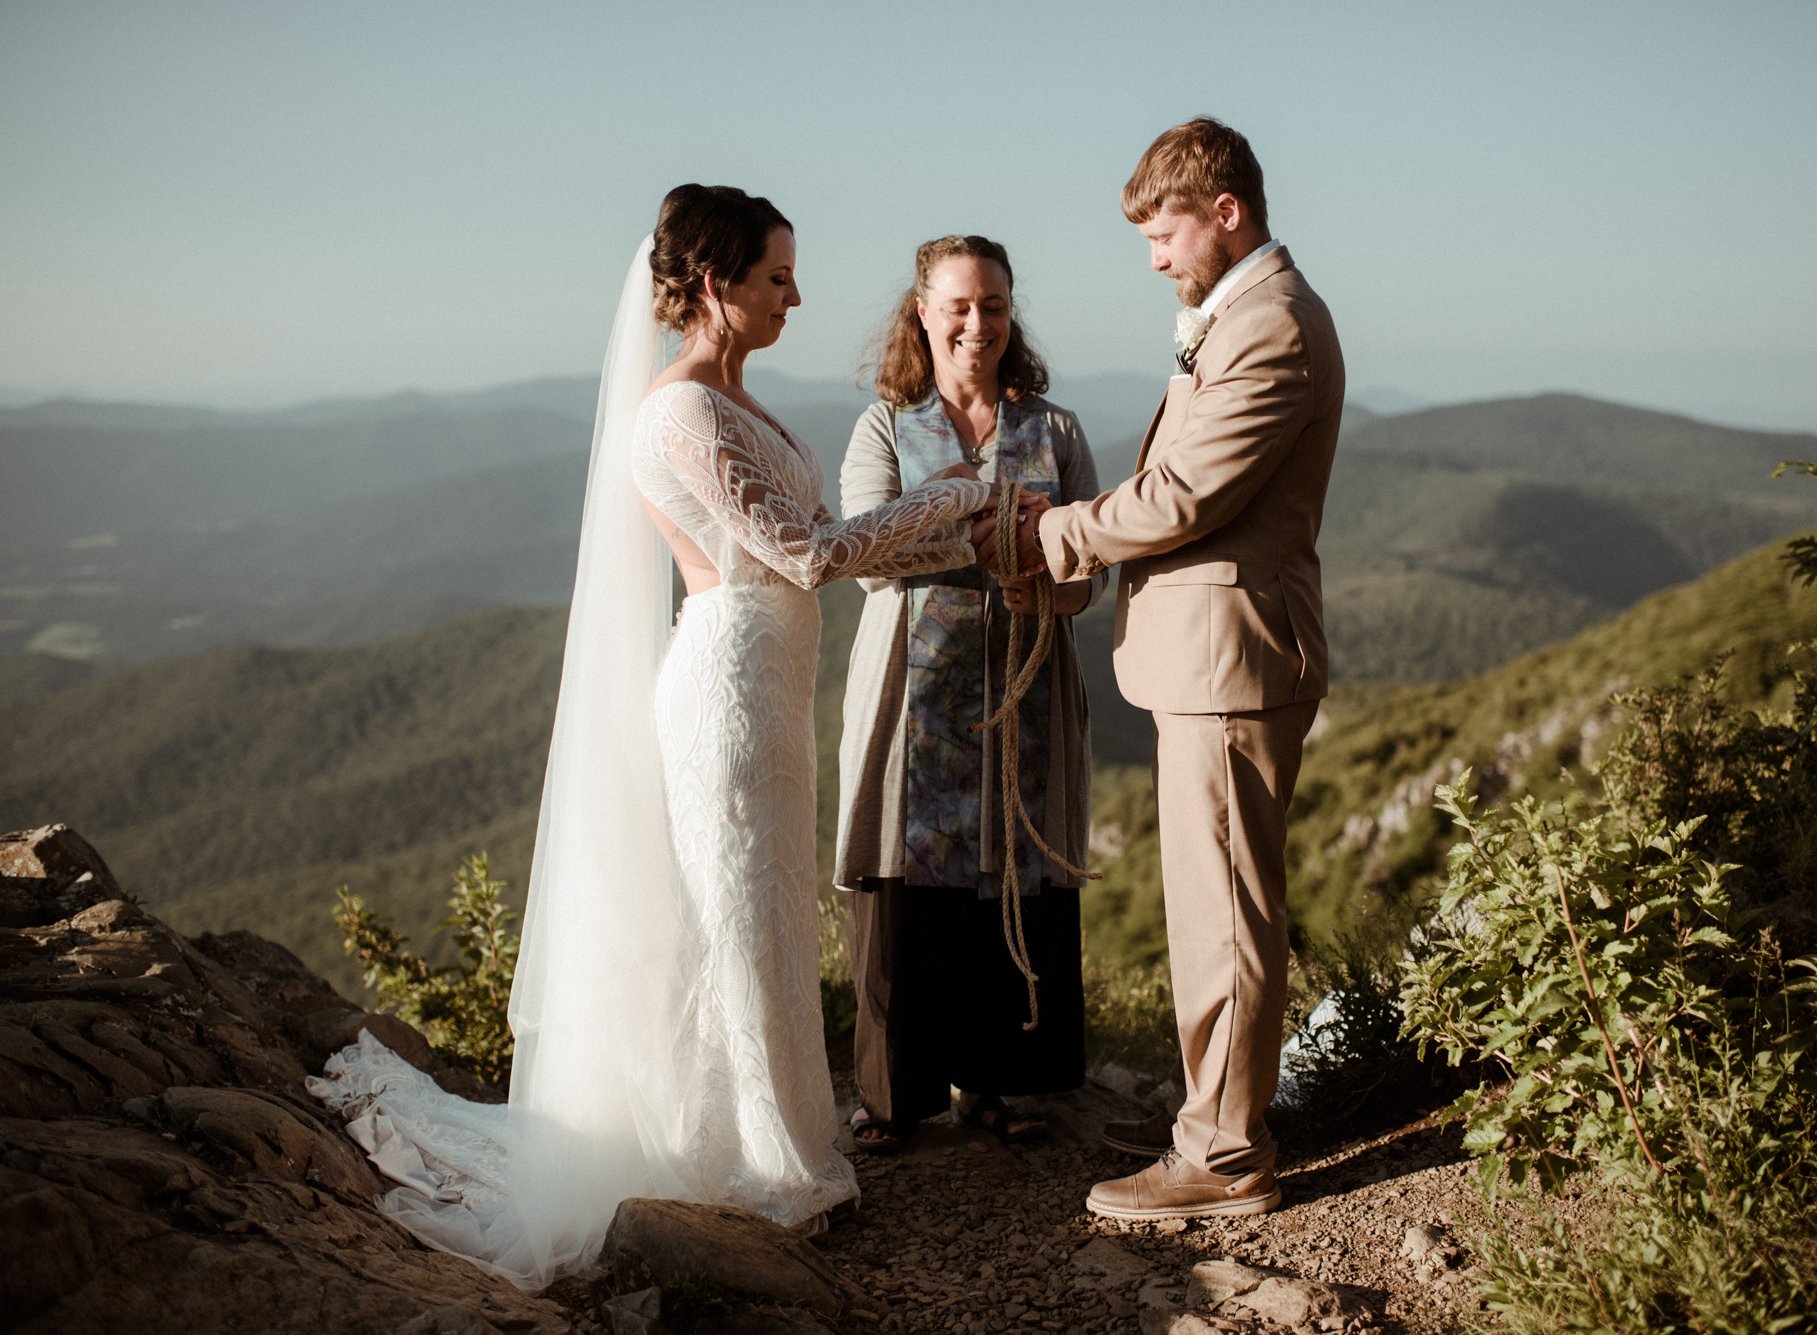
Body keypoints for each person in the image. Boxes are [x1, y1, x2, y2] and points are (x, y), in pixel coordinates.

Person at [308, 185, 997, 1289]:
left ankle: (766, 1140)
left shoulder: (743, 404)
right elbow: (804, 553)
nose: (796, 295)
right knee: (733, 912)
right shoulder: (677, 414)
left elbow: (835, 552)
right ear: (716, 286)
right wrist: (954, 498)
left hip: (773, 690)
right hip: (725, 688)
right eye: (776, 277)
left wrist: (961, 532)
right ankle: (743, 1159)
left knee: (766, 910)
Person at [978, 118, 1344, 1220]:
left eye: (1163, 232)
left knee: (1225, 911)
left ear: (1224, 212)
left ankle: (1224, 1159)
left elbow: (1186, 494)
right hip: (1208, 656)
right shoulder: (1236, 316)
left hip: (1232, 660)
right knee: (1205, 903)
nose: (1152, 258)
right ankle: (1209, 1113)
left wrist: (1055, 537)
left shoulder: (1271, 325)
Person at [834, 236, 1104, 1153]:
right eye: (958, 305)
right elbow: (867, 555)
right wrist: (990, 534)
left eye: (992, 305)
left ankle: (1007, 1081)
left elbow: (1090, 570)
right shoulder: (883, 426)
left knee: (1014, 874)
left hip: (1027, 687)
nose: (976, 324)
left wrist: (1033, 563)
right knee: (906, 884)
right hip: (910, 695)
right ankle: (895, 1097)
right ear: (922, 309)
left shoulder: (1055, 431)